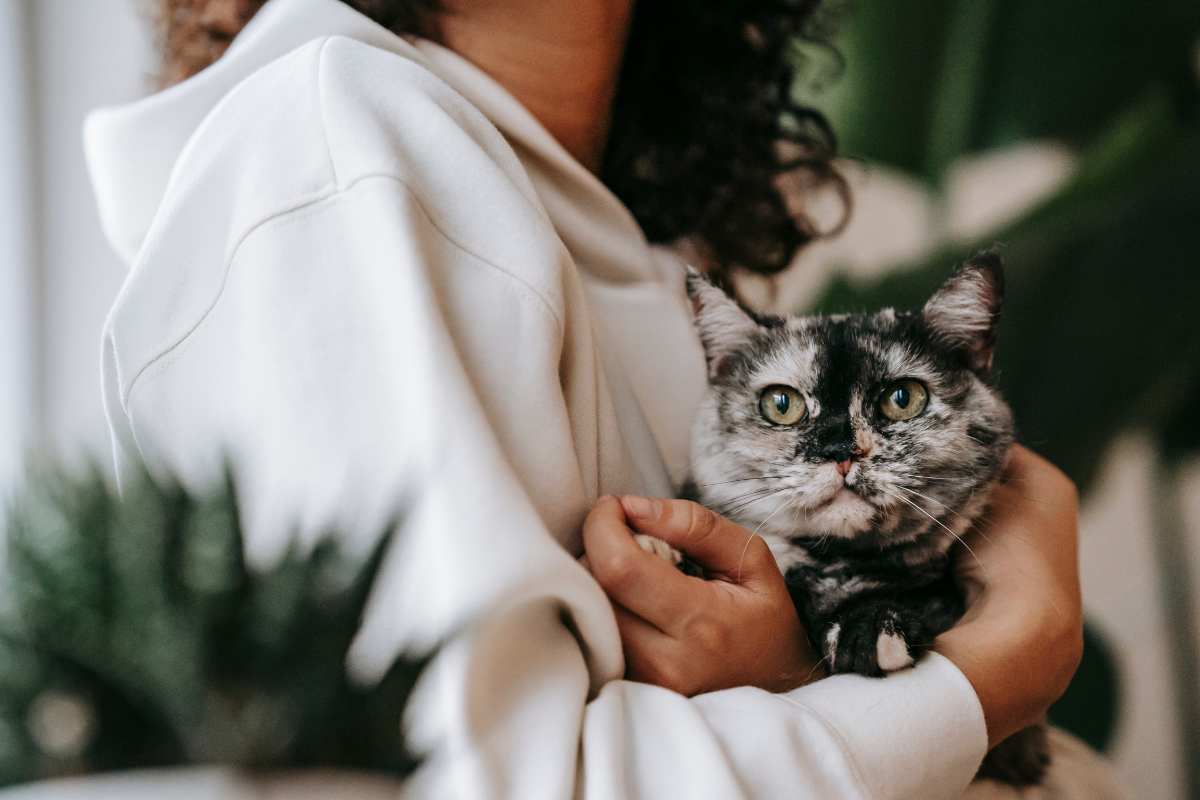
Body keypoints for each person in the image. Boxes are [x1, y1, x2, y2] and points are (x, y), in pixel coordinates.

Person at [84, 0, 1096, 797]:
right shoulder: (335, 154)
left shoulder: (653, 263)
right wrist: (992, 670)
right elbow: (475, 781)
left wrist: (811, 675)